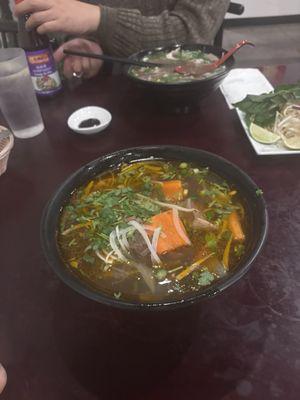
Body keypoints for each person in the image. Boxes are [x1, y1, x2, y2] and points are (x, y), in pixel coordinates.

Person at [14, 0, 230, 78]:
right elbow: (77, 10)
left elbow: (189, 34)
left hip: (188, 85)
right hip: (110, 88)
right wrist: (88, 42)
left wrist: (99, 19)